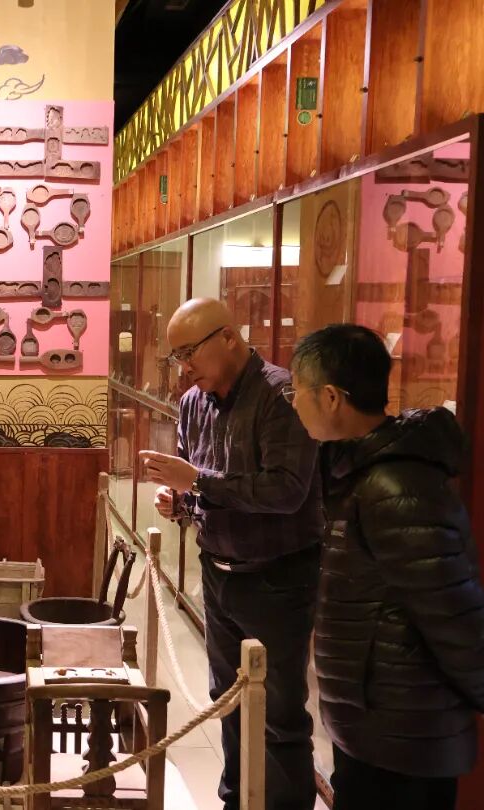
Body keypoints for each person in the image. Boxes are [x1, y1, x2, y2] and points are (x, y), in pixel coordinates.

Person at [288, 324, 484, 810]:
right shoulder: (353, 469)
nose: (293, 405)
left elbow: (454, 614)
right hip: (374, 724)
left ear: (330, 397)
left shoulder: (395, 486)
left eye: (297, 393)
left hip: (406, 733)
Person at [138, 298, 322, 810]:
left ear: (229, 338)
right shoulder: (193, 403)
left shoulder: (280, 395)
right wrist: (179, 501)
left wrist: (197, 481)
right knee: (228, 701)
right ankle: (237, 800)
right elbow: (199, 486)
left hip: (277, 576)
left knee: (279, 713)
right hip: (217, 571)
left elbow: (286, 491)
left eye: (189, 353)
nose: (184, 367)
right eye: (177, 357)